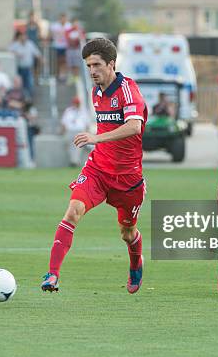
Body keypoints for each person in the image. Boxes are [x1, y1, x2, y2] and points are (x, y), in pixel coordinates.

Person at [41, 38, 148, 294]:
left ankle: (136, 261)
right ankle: (52, 275)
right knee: (72, 211)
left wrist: (95, 137)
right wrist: (98, 143)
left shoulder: (128, 91)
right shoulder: (96, 91)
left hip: (128, 178)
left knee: (127, 232)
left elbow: (134, 127)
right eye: (88, 66)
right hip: (98, 170)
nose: (92, 71)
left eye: (97, 65)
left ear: (111, 64)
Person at [8, 31, 41, 97]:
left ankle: (30, 98)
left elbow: (37, 53)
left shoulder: (30, 44)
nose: (23, 38)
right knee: (19, 85)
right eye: (22, 36)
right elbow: (9, 50)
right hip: (19, 68)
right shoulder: (16, 44)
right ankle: (22, 98)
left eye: (24, 36)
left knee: (29, 84)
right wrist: (16, 53)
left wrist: (42, 60)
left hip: (28, 68)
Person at [60, 96, 89, 166]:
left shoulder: (84, 111)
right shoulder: (68, 111)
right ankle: (73, 160)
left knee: (78, 145)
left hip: (80, 130)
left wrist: (86, 133)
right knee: (68, 144)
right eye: (75, 103)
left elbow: (87, 124)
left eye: (77, 103)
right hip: (70, 131)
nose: (76, 105)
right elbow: (64, 122)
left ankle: (74, 161)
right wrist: (62, 131)